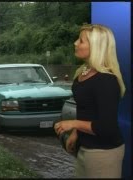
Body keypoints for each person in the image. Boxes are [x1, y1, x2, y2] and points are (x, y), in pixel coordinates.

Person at [54, 24, 126, 178]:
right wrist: (76, 134)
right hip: (85, 147)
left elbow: (107, 127)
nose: (75, 43)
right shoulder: (83, 72)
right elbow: (87, 111)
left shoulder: (106, 80)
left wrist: (73, 124)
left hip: (103, 153)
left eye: (81, 41)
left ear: (96, 46)